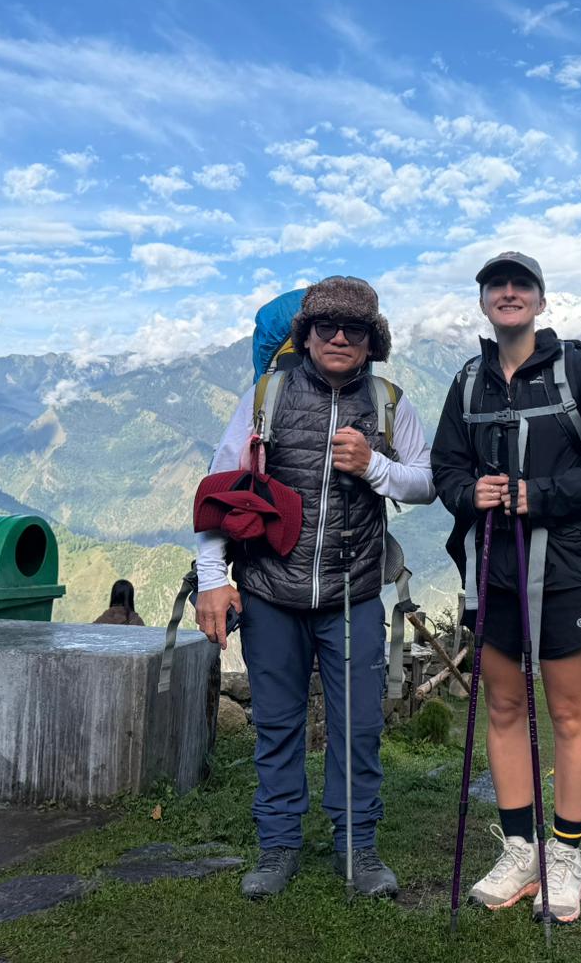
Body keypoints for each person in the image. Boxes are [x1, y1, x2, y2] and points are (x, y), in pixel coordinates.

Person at [192, 276, 435, 900]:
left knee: (358, 726)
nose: (338, 338)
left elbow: (427, 480)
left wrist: (373, 466)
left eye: (353, 329)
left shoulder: (387, 403)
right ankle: (277, 847)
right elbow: (220, 491)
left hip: (351, 594)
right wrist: (214, 582)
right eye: (325, 326)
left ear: (370, 340)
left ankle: (359, 848)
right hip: (272, 591)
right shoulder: (266, 396)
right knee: (277, 723)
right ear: (305, 335)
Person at [431, 251, 581, 924]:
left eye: (522, 285)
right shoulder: (469, 383)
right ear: (485, 301)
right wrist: (473, 492)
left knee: (572, 715)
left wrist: (533, 496)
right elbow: (446, 469)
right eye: (497, 286)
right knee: (505, 709)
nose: (509, 293)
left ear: (541, 301)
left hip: (570, 571)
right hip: (493, 570)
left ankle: (566, 854)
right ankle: (521, 850)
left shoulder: (578, 371)